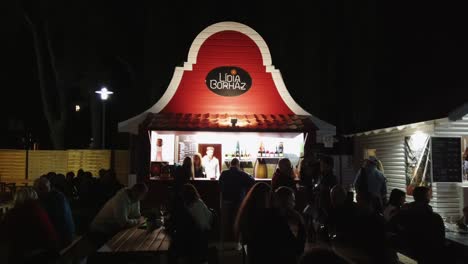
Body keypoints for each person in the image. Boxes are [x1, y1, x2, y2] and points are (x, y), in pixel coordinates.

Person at [0, 187, 59, 263]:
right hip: (51, 251)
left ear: (17, 198)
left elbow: (3, 234)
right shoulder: (39, 209)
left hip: (36, 255)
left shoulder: (15, 213)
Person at [394, 186, 445, 263]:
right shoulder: (434, 217)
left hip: (409, 249)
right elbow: (440, 238)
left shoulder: (404, 212)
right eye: (429, 195)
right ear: (426, 198)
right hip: (427, 251)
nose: (431, 197)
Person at [170, 184, 213, 263]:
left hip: (194, 237)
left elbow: (183, 224)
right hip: (205, 234)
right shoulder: (200, 202)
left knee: (175, 239)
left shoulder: (187, 207)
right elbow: (210, 215)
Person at [219, 158, 255, 241]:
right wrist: (248, 174)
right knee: (238, 221)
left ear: (230, 164)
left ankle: (223, 241)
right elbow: (252, 181)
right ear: (238, 165)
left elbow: (219, 185)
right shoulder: (242, 174)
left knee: (225, 222)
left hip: (226, 200)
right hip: (238, 201)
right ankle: (237, 242)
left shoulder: (224, 173)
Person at [34, 177, 75, 249]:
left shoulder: (51, 199)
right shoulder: (58, 195)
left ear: (41, 189)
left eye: (36, 190)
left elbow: (46, 221)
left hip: (61, 240)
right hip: (69, 236)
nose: (35, 193)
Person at [273, 186, 307, 262]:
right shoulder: (293, 218)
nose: (294, 204)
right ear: (286, 201)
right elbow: (298, 245)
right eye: (293, 200)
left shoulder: (270, 217)